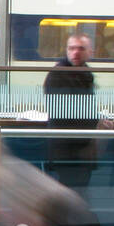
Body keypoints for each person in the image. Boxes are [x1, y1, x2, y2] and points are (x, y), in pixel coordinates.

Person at [43, 33, 102, 193]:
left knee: (79, 191)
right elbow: (69, 110)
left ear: (90, 52)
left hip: (80, 147)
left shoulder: (84, 73)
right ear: (66, 51)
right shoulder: (59, 74)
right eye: (72, 48)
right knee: (71, 192)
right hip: (67, 147)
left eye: (81, 48)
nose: (76, 52)